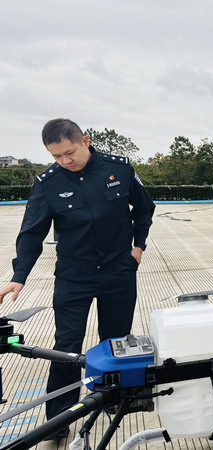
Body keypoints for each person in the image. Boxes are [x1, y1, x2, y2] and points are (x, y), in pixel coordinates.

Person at [0, 119, 155, 440]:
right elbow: (32, 232)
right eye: (57, 156)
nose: (65, 161)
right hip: (74, 276)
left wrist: (138, 247)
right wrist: (19, 276)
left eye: (69, 153)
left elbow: (144, 208)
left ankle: (113, 399)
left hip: (118, 271)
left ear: (85, 141)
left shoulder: (119, 169)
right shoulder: (48, 182)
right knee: (66, 346)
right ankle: (59, 418)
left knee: (115, 341)